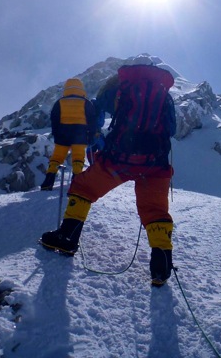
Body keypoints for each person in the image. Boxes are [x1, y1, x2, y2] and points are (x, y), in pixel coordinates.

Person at [40, 59, 177, 287]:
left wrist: (97, 137)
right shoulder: (164, 94)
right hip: (155, 164)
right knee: (155, 209)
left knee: (83, 187)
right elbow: (171, 129)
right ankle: (161, 267)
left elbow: (98, 110)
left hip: (120, 159)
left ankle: (67, 237)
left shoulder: (121, 85)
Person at [40, 78, 96, 191]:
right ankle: (76, 183)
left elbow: (54, 119)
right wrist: (91, 134)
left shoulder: (59, 102)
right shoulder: (86, 102)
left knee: (57, 158)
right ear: (81, 88)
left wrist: (56, 133)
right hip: (80, 133)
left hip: (63, 133)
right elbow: (92, 120)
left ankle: (48, 182)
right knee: (78, 158)